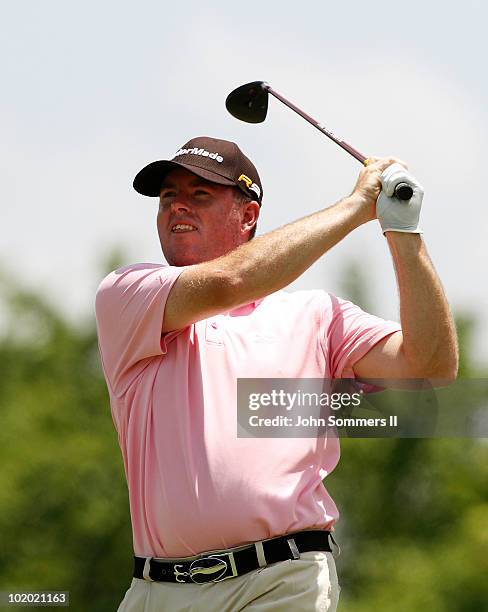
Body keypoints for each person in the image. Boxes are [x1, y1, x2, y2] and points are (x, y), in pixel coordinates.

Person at [95, 136, 458, 611]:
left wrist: (403, 231)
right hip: (156, 590)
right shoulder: (127, 294)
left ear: (248, 216)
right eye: (168, 196)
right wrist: (355, 207)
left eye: (200, 193)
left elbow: (430, 364)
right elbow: (232, 280)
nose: (178, 205)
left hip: (282, 580)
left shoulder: (317, 315)